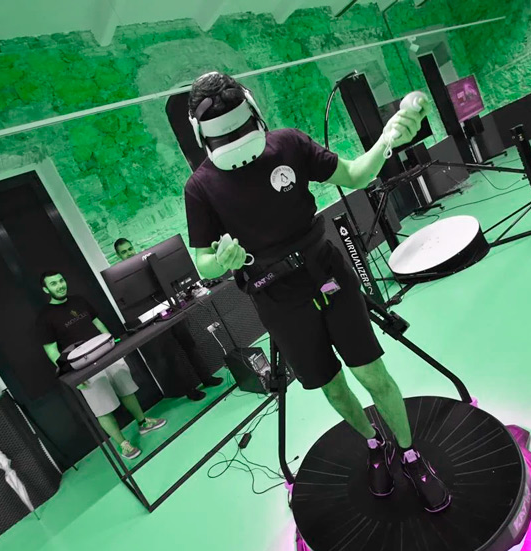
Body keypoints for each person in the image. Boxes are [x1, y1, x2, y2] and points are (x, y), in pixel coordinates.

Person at [182, 72, 450, 512]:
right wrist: (221, 261)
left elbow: (356, 174)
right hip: (277, 297)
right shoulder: (200, 187)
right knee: (331, 386)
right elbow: (203, 262)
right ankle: (373, 445)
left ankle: (409, 454)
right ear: (202, 136)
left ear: (253, 112)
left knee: (372, 375)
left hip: (326, 272)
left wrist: (387, 139)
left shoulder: (288, 144)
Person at [36, 270, 166, 460]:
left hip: (106, 355)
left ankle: (143, 422)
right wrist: (70, 373)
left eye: (61, 281)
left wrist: (112, 347)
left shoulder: (79, 300)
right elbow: (51, 350)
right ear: (46, 289)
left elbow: (98, 323)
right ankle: (123, 444)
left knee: (126, 390)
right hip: (83, 368)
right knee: (102, 408)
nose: (60, 285)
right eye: (54, 283)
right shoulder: (45, 317)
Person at [113, 237, 223, 400]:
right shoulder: (120, 280)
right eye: (124, 252)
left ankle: (206, 378)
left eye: (130, 249)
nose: (129, 253)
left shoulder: (149, 267)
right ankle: (190, 390)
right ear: (118, 256)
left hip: (170, 308)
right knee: (173, 355)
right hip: (153, 319)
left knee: (189, 345)